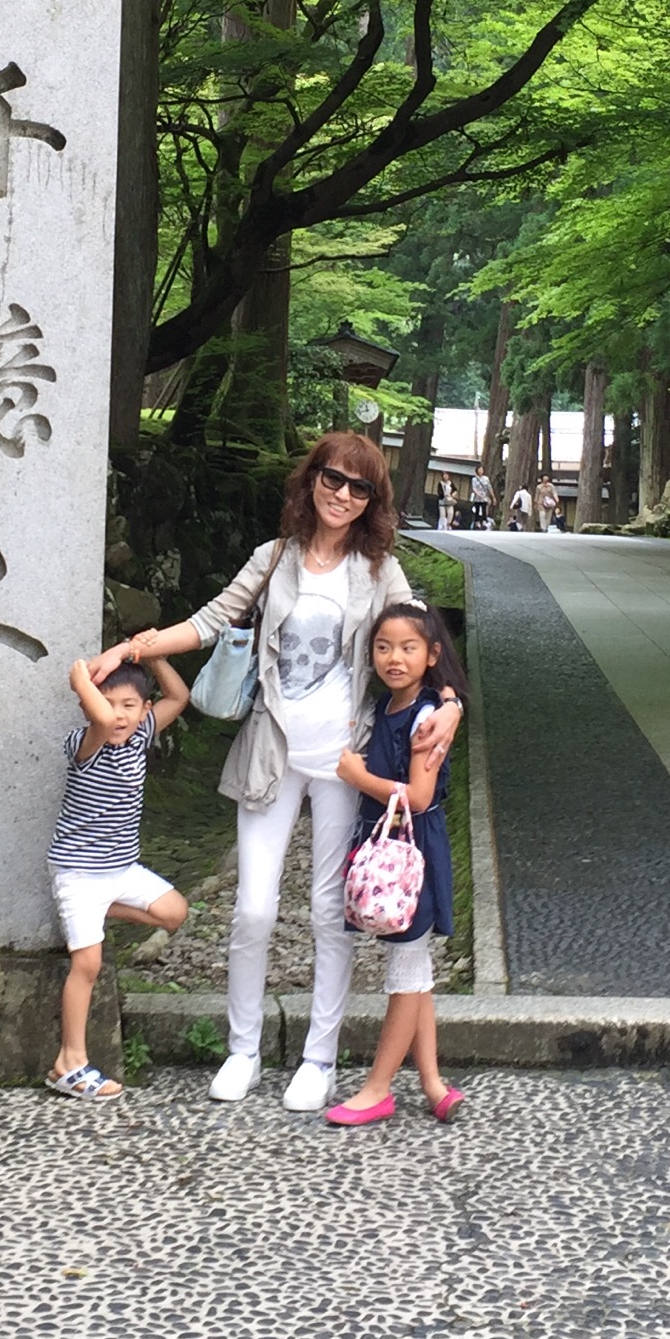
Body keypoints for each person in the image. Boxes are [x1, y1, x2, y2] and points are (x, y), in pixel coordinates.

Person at [97, 431, 457, 1110]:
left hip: (346, 759)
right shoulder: (273, 559)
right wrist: (134, 648)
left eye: (359, 487)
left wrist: (452, 704)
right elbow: (210, 621)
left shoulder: (379, 570)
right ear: (311, 478)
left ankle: (319, 1058)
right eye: (332, 478)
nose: (342, 494)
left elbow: (421, 639)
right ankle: (243, 1049)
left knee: (329, 911)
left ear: (373, 500)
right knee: (254, 908)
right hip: (271, 749)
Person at [326, 604, 467, 1126]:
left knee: (406, 968)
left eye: (409, 648)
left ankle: (378, 1088)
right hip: (394, 847)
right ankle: (433, 1085)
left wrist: (357, 777)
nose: (394, 658)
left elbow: (420, 796)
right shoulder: (386, 706)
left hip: (415, 852)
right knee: (416, 967)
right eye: (383, 647)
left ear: (432, 655)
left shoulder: (426, 715)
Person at [46, 652, 191, 1101]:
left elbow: (178, 696)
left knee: (175, 912)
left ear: (144, 711)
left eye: (129, 705)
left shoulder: (141, 735)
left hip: (120, 870)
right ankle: (69, 1063)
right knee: (87, 965)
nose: (119, 714)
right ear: (89, 707)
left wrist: (152, 654)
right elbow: (104, 721)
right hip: (78, 872)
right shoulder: (87, 743)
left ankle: (100, 910)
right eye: (107, 702)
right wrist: (79, 680)